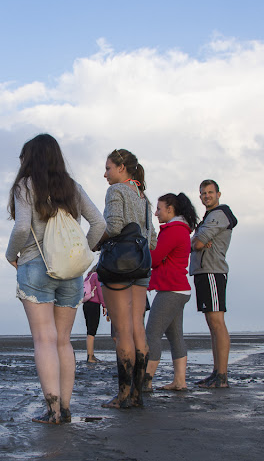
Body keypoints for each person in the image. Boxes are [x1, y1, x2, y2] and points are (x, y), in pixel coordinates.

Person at [5, 134, 105, 424]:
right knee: (63, 341)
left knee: (44, 340)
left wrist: (11, 254)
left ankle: (52, 410)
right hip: (71, 274)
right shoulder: (72, 187)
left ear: (31, 159)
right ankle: (67, 408)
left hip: (36, 267)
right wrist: (80, 254)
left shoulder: (25, 186)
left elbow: (23, 227)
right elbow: (99, 223)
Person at [95, 149, 156, 409]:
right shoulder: (144, 197)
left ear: (121, 167)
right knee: (137, 329)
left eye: (108, 168)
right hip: (142, 266)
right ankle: (137, 395)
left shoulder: (116, 191)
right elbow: (152, 240)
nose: (105, 173)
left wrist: (98, 243)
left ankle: (122, 395)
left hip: (120, 265)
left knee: (122, 332)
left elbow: (115, 226)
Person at [143, 193, 198, 392]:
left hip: (171, 290)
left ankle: (146, 381)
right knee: (175, 336)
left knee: (152, 334)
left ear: (170, 209)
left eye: (159, 209)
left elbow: (156, 258)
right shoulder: (181, 230)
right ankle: (179, 381)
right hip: (179, 289)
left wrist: (141, 249)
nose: (156, 213)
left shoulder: (174, 230)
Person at [190, 180, 237, 388]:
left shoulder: (218, 215)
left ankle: (222, 375)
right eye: (203, 193)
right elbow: (197, 242)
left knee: (217, 323)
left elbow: (197, 243)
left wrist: (198, 240)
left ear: (218, 194)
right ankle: (216, 372)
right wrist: (198, 240)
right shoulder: (208, 217)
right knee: (212, 325)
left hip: (213, 272)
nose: (206, 196)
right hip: (204, 272)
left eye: (210, 192)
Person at [83, 268, 107, 363]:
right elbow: (100, 291)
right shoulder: (97, 276)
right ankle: (90, 356)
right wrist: (104, 305)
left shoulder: (88, 277)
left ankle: (90, 355)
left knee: (89, 330)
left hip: (86, 304)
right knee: (92, 331)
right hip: (94, 304)